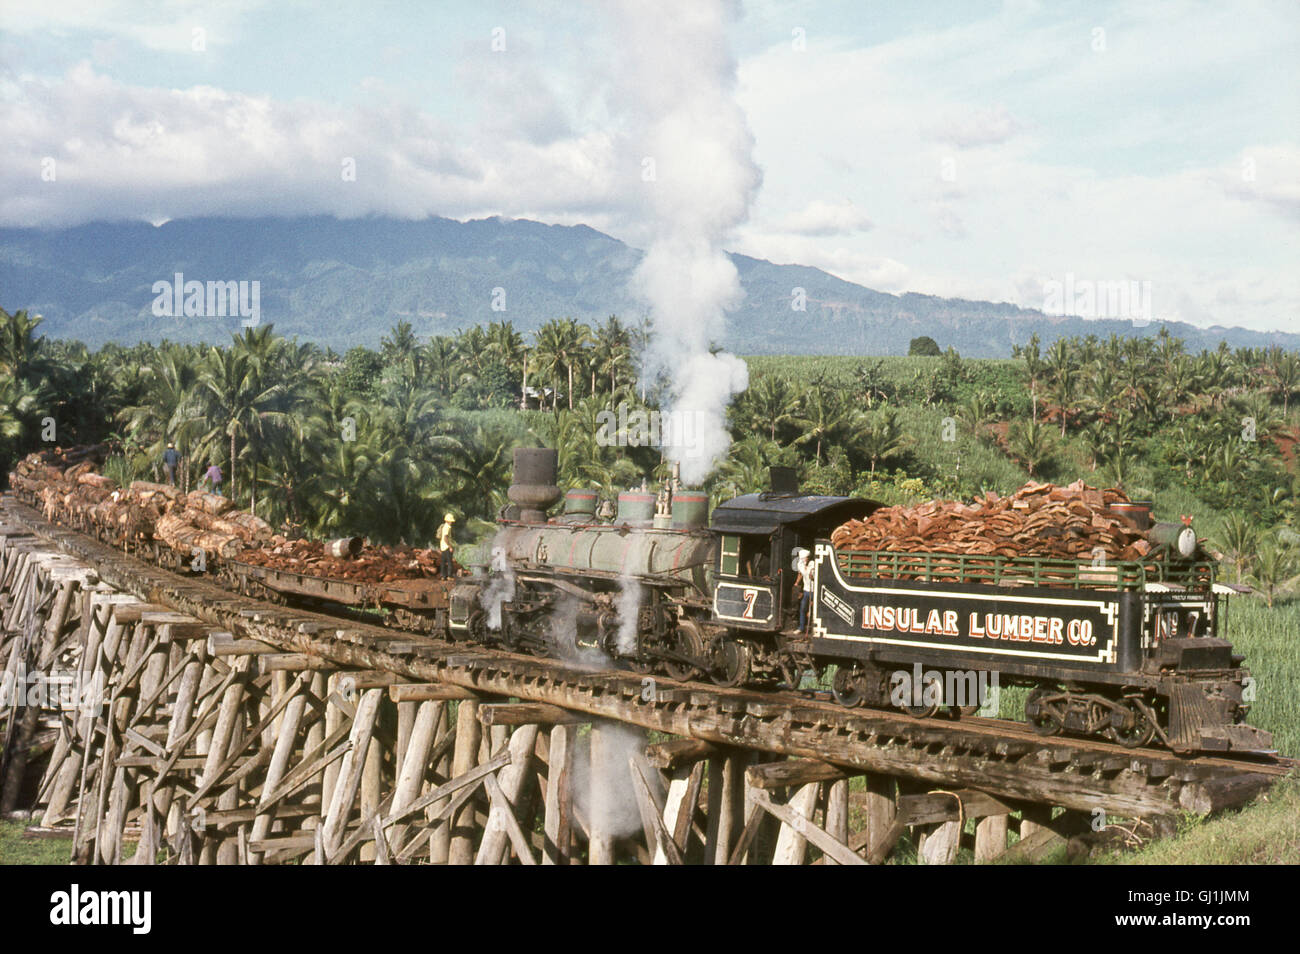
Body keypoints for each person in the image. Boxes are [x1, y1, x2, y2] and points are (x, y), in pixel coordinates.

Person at [796, 549, 814, 634]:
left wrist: (812, 576)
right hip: (806, 590)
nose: (804, 560)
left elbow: (815, 576)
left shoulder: (813, 564)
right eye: (803, 558)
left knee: (812, 610)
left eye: (805, 558)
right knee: (803, 608)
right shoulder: (800, 564)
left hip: (814, 590)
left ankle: (813, 628)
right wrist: (796, 583)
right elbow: (800, 574)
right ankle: (801, 628)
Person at [438, 512, 456, 578]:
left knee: (443, 562)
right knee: (449, 562)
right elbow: (445, 537)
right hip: (446, 547)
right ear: (448, 521)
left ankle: (443, 576)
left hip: (442, 546)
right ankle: (449, 576)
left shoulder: (444, 526)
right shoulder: (448, 527)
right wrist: (450, 546)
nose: (451, 522)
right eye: (451, 521)